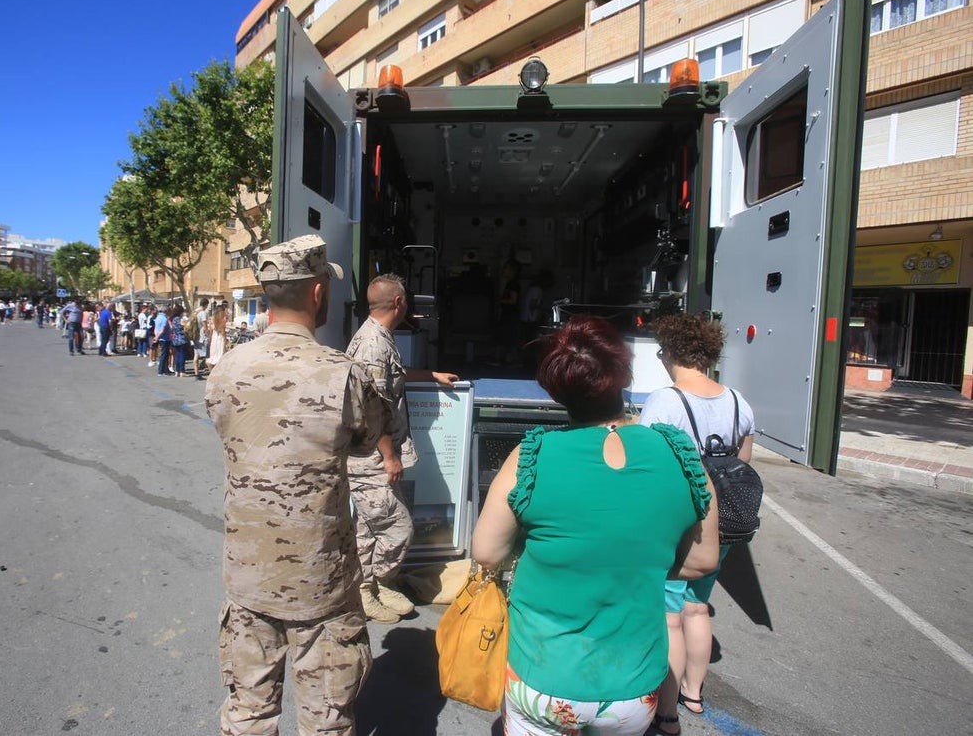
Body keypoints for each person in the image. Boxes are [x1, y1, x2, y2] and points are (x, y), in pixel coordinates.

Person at [471, 315, 718, 736]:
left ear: (556, 390)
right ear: (624, 374)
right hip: (632, 687)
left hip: (542, 675)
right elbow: (702, 560)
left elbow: (487, 552)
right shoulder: (678, 453)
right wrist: (635, 560)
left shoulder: (532, 457)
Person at [203, 234, 396, 736]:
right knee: (326, 721)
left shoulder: (227, 367)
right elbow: (368, 441)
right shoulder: (343, 374)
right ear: (317, 292)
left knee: (247, 714)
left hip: (247, 573)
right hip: (321, 579)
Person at [639, 313, 756, 736]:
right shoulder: (739, 401)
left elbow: (645, 466)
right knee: (698, 605)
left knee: (670, 615)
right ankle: (693, 693)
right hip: (724, 521)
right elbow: (743, 464)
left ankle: (667, 713)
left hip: (680, 521)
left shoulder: (665, 402)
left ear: (670, 352)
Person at [345, 273, 459, 623]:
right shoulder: (373, 344)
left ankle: (370, 589)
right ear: (398, 303)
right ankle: (373, 584)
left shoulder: (378, 337)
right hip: (371, 459)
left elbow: (393, 376)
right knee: (398, 528)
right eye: (406, 300)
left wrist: (431, 375)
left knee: (370, 528)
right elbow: (373, 407)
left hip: (372, 457)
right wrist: (390, 456)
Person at [204, 306, 227, 372]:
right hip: (220, 339)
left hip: (214, 339)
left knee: (213, 356)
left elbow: (210, 331)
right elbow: (223, 333)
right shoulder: (222, 320)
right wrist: (226, 343)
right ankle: (217, 373)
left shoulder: (212, 319)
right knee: (220, 356)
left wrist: (210, 339)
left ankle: (212, 372)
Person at [169, 305, 189, 376]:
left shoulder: (174, 319)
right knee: (182, 355)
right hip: (182, 339)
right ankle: (182, 371)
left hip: (175, 339)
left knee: (177, 355)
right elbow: (186, 328)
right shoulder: (181, 319)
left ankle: (177, 371)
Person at [153, 305, 171, 376]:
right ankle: (160, 370)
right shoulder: (164, 319)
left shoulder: (158, 317)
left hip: (160, 338)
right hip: (164, 338)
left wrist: (156, 336)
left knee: (165, 354)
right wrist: (157, 337)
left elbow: (155, 328)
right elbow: (162, 330)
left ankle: (166, 369)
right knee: (164, 355)